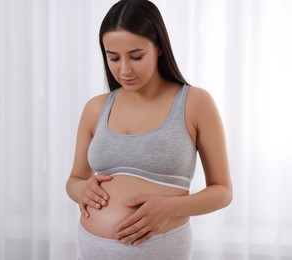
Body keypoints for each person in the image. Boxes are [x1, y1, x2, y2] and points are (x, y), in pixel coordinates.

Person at [66, 0, 232, 259]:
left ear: (159, 48)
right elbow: (74, 179)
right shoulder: (95, 108)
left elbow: (222, 191)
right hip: (92, 249)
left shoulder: (194, 103)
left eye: (136, 56)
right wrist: (81, 190)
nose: (124, 69)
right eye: (113, 57)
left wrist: (171, 208)